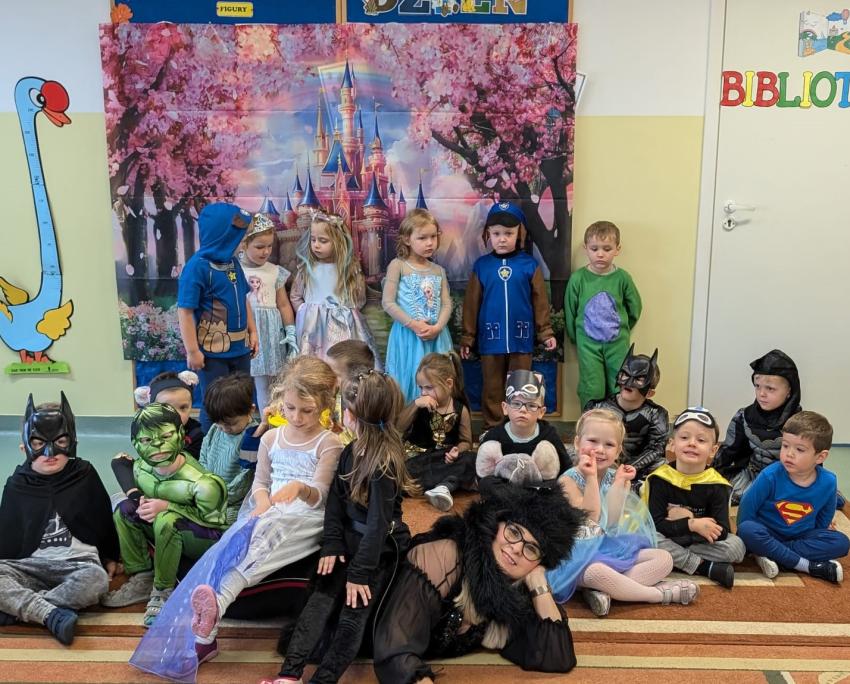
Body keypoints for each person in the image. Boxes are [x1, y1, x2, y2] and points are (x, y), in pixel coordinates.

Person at [129, 357, 343, 682]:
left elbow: (322, 495)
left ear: (324, 405)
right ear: (280, 401)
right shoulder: (271, 439)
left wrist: (300, 489)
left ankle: (216, 605)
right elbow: (261, 483)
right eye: (290, 408)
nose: (296, 417)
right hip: (270, 508)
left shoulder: (328, 443)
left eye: (307, 411)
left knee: (268, 534)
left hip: (306, 514)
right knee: (235, 541)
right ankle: (205, 633)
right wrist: (262, 501)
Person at [272, 370, 414, 684]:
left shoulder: (383, 462)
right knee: (320, 598)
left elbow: (378, 525)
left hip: (378, 551)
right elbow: (336, 502)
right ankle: (289, 674)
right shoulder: (351, 450)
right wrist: (332, 543)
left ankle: (323, 680)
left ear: (350, 415)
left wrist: (360, 573)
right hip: (349, 540)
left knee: (353, 614)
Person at [371, 481, 583, 682]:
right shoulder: (446, 556)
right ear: (495, 525)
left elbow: (557, 657)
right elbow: (395, 653)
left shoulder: (513, 595)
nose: (517, 548)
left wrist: (539, 584)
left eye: (531, 548)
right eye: (514, 532)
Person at [546, 409, 698, 617]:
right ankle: (656, 594)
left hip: (606, 545)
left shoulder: (614, 476)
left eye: (609, 445)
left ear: (618, 451)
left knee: (664, 559)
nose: (600, 450)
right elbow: (591, 519)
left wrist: (618, 484)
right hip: (577, 555)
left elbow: (611, 523)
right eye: (593, 441)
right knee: (596, 572)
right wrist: (590, 478)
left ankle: (605, 590)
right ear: (577, 443)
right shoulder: (568, 480)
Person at [0, 394, 120, 645]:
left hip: (78, 565)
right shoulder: (17, 484)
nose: (50, 452)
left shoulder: (84, 474)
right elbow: (8, 535)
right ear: (24, 447)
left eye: (60, 441)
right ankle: (51, 614)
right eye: (38, 443)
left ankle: (22, 610)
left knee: (96, 581)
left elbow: (102, 519)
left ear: (73, 441)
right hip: (30, 566)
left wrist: (110, 556)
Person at [102, 404, 228, 627]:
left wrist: (168, 506)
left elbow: (215, 526)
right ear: (135, 443)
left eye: (166, 436)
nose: (158, 445)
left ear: (181, 434)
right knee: (124, 510)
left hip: (204, 539)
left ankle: (162, 591)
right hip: (166, 529)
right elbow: (119, 462)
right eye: (147, 440)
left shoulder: (203, 484)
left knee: (166, 520)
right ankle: (142, 577)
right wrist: (138, 499)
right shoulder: (141, 468)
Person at [460, 201, 556, 429]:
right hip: (490, 339)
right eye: (496, 234)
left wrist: (545, 332)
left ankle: (519, 428)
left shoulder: (529, 265)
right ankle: (492, 429)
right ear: (488, 234)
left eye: (508, 233)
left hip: (521, 338)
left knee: (520, 385)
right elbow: (471, 304)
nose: (502, 239)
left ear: (519, 233)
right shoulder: (482, 266)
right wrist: (467, 337)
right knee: (492, 387)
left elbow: (540, 302)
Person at [737, 411, 849, 583]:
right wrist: (746, 537)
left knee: (841, 542)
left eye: (799, 449)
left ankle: (773, 554)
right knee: (747, 529)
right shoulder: (770, 475)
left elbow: (823, 517)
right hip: (767, 532)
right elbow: (746, 509)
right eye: (785, 446)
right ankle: (806, 565)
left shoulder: (829, 481)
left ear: (820, 457)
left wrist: (818, 534)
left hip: (799, 538)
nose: (789, 454)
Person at [177, 203, 259, 432]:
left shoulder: (233, 263)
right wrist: (193, 351)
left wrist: (253, 331)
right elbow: (185, 311)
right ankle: (210, 446)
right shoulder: (197, 268)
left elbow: (243, 298)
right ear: (223, 236)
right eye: (238, 238)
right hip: (212, 354)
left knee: (241, 398)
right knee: (215, 403)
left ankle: (237, 444)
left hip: (240, 349)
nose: (241, 243)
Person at [643, 407, 746, 588]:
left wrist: (691, 521)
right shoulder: (659, 479)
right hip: (668, 535)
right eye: (684, 437)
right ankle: (703, 566)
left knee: (736, 547)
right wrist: (691, 524)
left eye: (701, 440)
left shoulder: (717, 485)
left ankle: (678, 559)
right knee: (646, 538)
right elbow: (655, 524)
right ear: (672, 444)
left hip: (697, 541)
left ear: (713, 450)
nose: (692, 443)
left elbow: (722, 531)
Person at [565, 220, 642, 410]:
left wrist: (623, 329)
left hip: (617, 343)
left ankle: (618, 421)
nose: (600, 254)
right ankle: (590, 420)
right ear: (586, 249)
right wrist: (577, 338)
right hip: (588, 344)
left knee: (620, 383)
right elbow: (570, 310)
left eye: (607, 249)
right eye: (594, 248)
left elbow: (635, 308)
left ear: (617, 249)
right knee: (592, 385)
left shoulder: (623, 278)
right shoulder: (578, 279)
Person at [290, 210, 380, 365]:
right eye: (313, 239)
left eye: (323, 241)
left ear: (338, 241)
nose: (316, 245)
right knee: (315, 363)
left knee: (344, 360)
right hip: (314, 328)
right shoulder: (307, 269)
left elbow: (359, 298)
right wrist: (308, 312)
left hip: (343, 324)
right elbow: (295, 295)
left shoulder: (348, 269)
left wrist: (346, 311)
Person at [714, 349, 802, 505]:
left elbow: (811, 464)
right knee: (720, 489)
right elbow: (728, 452)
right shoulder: (744, 416)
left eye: (770, 388)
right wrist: (710, 475)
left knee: (803, 499)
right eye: (757, 386)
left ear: (789, 391)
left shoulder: (802, 423)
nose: (761, 394)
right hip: (752, 476)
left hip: (787, 480)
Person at [382, 209, 453, 402]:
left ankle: (437, 415)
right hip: (408, 336)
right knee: (408, 376)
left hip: (436, 337)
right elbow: (388, 303)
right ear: (407, 239)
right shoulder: (398, 265)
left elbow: (447, 304)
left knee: (436, 379)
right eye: (422, 238)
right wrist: (414, 325)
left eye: (433, 237)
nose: (429, 243)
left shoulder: (439, 270)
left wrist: (437, 327)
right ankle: (408, 416)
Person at [113, 371, 204, 506]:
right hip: (152, 474)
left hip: (179, 482)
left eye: (183, 407)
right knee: (119, 460)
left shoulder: (196, 433)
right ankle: (135, 496)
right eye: (167, 408)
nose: (177, 414)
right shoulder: (144, 429)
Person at [584, 346, 668, 491]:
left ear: (649, 393)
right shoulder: (597, 407)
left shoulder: (656, 414)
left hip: (637, 470)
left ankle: (638, 489)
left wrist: (628, 469)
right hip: (602, 461)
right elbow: (585, 439)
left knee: (662, 464)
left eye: (639, 379)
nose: (628, 383)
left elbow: (656, 448)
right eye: (625, 375)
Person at [399, 352, 475, 512]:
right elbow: (398, 427)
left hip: (442, 460)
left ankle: (442, 487)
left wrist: (457, 450)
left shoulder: (460, 409)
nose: (423, 393)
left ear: (448, 384)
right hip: (418, 461)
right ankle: (445, 484)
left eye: (429, 387)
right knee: (404, 470)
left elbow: (466, 441)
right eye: (421, 388)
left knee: (471, 460)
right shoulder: (419, 405)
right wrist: (415, 404)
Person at [240, 213, 298, 412]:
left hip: (271, 332)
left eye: (269, 246)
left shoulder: (274, 271)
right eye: (259, 247)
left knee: (268, 383)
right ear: (244, 244)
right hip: (246, 329)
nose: (265, 251)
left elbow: (283, 304)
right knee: (243, 379)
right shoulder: (236, 269)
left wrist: (290, 331)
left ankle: (270, 421)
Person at [475, 370, 570, 486]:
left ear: (541, 412)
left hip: (539, 490)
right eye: (516, 404)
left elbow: (566, 469)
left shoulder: (549, 435)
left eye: (531, 405)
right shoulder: (493, 437)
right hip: (504, 490)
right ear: (505, 408)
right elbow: (481, 474)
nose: (523, 410)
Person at [200, 372, 266, 524]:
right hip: (206, 494)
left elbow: (245, 480)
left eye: (231, 424)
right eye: (219, 424)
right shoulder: (216, 429)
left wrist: (213, 497)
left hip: (234, 503)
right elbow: (203, 458)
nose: (224, 429)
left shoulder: (253, 436)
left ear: (251, 410)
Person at [326, 339, 376, 446]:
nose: (328, 377)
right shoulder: (336, 392)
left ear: (357, 377)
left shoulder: (367, 402)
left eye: (335, 374)